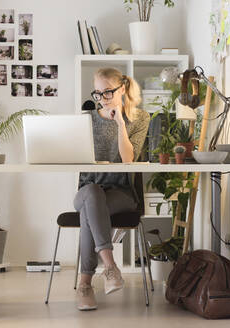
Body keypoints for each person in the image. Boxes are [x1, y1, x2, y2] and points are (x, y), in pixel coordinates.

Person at [74, 67, 150, 310]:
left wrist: (119, 123)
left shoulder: (140, 119)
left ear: (122, 89)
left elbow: (128, 159)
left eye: (107, 92)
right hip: (87, 190)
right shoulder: (86, 119)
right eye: (98, 93)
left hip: (122, 194)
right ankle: (110, 267)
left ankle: (84, 285)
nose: (102, 99)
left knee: (90, 209)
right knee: (92, 195)